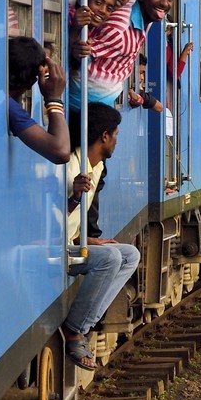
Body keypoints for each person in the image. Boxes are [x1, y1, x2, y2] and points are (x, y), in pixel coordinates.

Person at [61, 104, 140, 371]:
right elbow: (49, 219)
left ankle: (86, 322)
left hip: (71, 244)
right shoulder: (70, 167)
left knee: (130, 255)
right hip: (54, 248)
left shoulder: (96, 167)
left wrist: (86, 239)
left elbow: (73, 221)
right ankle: (74, 330)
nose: (117, 141)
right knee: (109, 258)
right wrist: (74, 197)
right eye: (115, 135)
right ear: (104, 136)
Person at [69, 0, 178, 112]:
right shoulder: (120, 29)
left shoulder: (145, 16)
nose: (164, 3)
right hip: (83, 108)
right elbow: (78, 60)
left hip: (100, 104)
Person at [8, 36, 72, 164]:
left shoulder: (8, 103)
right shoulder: (10, 108)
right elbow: (61, 152)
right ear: (32, 82)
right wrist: (53, 98)